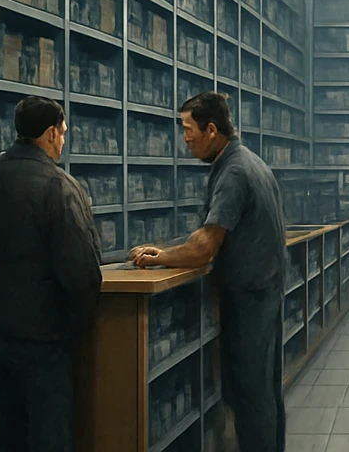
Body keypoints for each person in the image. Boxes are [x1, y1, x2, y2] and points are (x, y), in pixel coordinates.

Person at [130, 93, 287, 452]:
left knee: (250, 396)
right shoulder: (249, 161)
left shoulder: (233, 172)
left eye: (188, 129)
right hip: (264, 294)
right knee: (265, 393)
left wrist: (159, 259)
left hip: (250, 302)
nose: (185, 138)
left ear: (211, 130)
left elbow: (204, 247)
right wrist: (169, 252)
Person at [0, 96, 102, 452]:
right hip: (46, 341)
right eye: (64, 132)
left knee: (1, 435)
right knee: (48, 437)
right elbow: (82, 274)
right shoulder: (60, 187)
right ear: (52, 133)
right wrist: (71, 327)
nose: (64, 140)